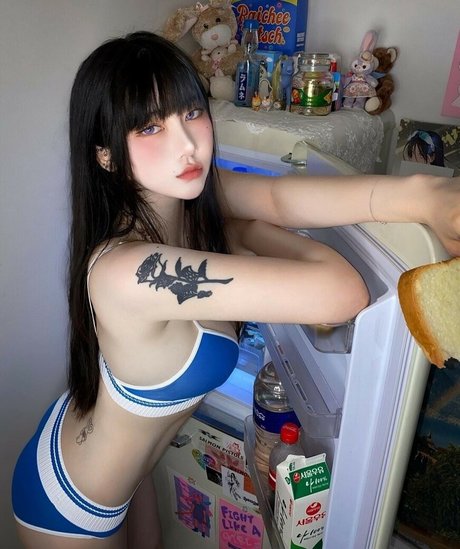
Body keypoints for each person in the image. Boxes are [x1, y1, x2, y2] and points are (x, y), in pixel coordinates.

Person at [11, 31, 460, 549]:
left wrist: (426, 195)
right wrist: (243, 231)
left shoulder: (188, 198)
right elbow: (341, 293)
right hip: (73, 502)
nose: (187, 143)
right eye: (150, 126)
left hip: (124, 465)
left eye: (190, 112)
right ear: (106, 156)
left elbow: (281, 197)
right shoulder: (128, 271)